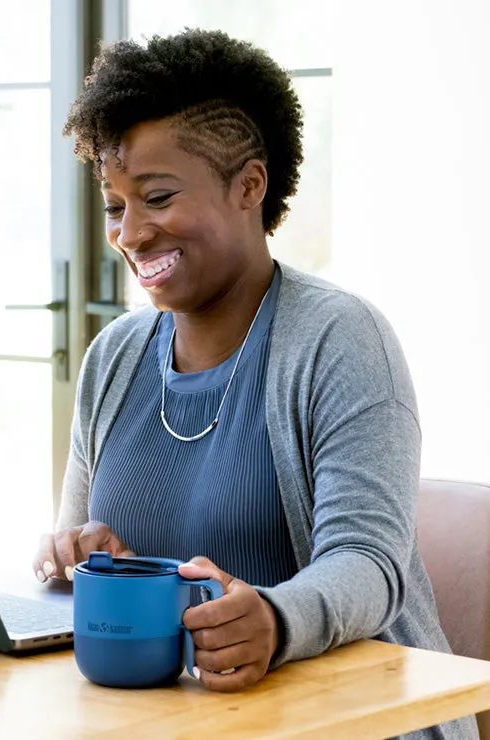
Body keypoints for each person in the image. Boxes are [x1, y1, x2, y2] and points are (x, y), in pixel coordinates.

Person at [32, 28, 477, 739]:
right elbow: (74, 547)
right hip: (177, 722)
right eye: (117, 205)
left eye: (158, 197)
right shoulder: (114, 356)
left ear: (250, 185)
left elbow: (369, 565)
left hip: (353, 722)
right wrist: (72, 558)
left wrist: (273, 618)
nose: (131, 233)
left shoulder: (339, 339)